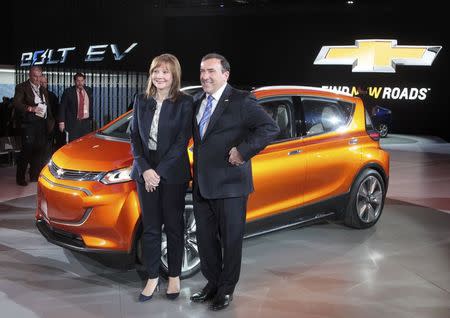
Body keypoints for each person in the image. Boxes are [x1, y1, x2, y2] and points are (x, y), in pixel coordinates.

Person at [190, 53, 279, 310]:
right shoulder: (197, 101)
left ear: (225, 75)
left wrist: (243, 150)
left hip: (231, 185)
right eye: (202, 71)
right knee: (205, 241)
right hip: (202, 185)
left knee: (230, 240)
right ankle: (213, 282)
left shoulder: (241, 100)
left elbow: (269, 128)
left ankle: (226, 289)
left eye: (211, 71)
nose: (205, 76)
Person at [129, 53, 193, 302]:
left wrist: (158, 172)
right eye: (156, 71)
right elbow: (134, 137)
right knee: (152, 228)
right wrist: (145, 169)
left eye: (165, 71)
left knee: (175, 227)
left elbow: (181, 142)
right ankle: (153, 277)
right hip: (145, 171)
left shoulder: (185, 102)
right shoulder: (141, 100)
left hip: (172, 172)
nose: (160, 76)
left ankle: (174, 276)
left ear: (174, 75)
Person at [13, 66, 54, 186]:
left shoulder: (42, 88)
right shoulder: (22, 87)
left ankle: (34, 175)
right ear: (29, 75)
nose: (37, 79)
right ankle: (20, 178)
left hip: (42, 123)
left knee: (39, 150)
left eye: (39, 76)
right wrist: (30, 108)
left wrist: (50, 120)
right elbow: (16, 103)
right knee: (26, 150)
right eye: (35, 76)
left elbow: (47, 105)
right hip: (29, 123)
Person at [59, 72, 93, 142]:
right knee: (73, 144)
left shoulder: (89, 90)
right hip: (73, 123)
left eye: (82, 80)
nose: (80, 83)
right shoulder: (68, 92)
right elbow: (62, 107)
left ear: (84, 81)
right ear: (75, 81)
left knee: (85, 143)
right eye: (78, 81)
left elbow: (90, 105)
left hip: (86, 123)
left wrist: (90, 119)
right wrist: (61, 122)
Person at [40, 76, 61, 156]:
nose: (42, 84)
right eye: (41, 82)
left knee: (48, 147)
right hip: (37, 126)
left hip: (49, 126)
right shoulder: (33, 96)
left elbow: (56, 111)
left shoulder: (52, 96)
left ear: (47, 83)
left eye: (44, 82)